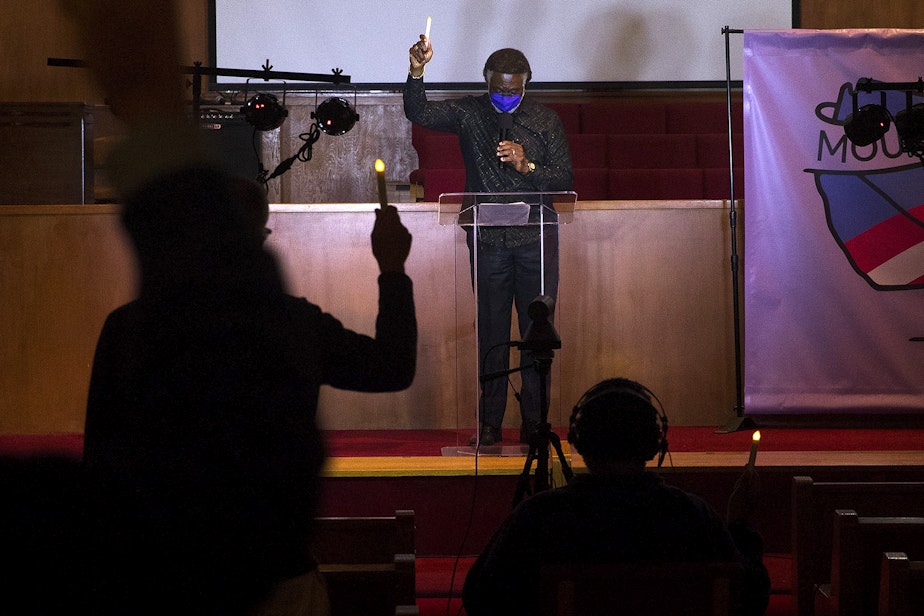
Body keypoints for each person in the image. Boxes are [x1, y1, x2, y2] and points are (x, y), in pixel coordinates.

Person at [66, 2, 417, 615]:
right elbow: (392, 367)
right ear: (257, 242)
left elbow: (101, 459)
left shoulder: (128, 329)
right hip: (279, 585)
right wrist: (391, 271)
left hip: (153, 583)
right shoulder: (290, 326)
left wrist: (154, 117)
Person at [462, 378, 771, 616]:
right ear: (655, 444)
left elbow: (481, 597)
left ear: (579, 442)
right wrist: (740, 526)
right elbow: (750, 597)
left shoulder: (539, 517)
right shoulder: (691, 516)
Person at [404, 36, 573, 446]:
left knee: (537, 332)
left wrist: (526, 163)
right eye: (498, 89)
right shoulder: (469, 112)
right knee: (493, 334)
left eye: (513, 91)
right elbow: (419, 110)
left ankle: (535, 423)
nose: (505, 96)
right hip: (488, 240)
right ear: (487, 82)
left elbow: (563, 179)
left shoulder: (545, 120)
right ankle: (491, 423)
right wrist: (416, 71)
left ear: (526, 86)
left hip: (536, 239)